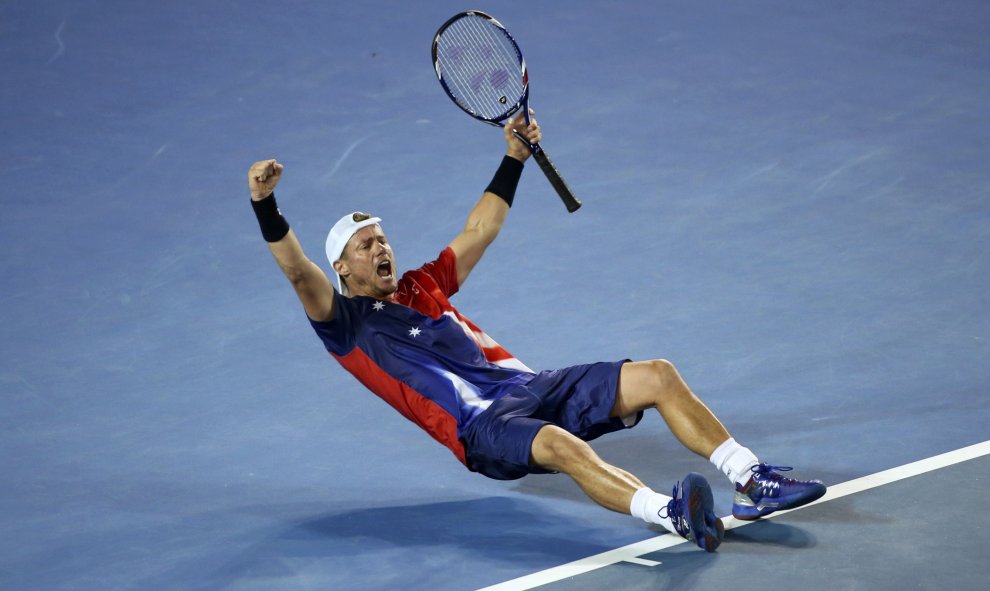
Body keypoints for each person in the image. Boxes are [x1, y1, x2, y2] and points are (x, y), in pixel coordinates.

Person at [247, 114, 826, 552]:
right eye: (365, 245)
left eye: (382, 237)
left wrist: (514, 157)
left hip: (530, 386)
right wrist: (266, 205)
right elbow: (298, 271)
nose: (382, 247)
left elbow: (480, 227)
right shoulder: (344, 327)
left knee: (658, 375)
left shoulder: (424, 285)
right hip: (481, 429)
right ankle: (667, 514)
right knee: (558, 444)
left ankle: (751, 480)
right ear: (342, 268)